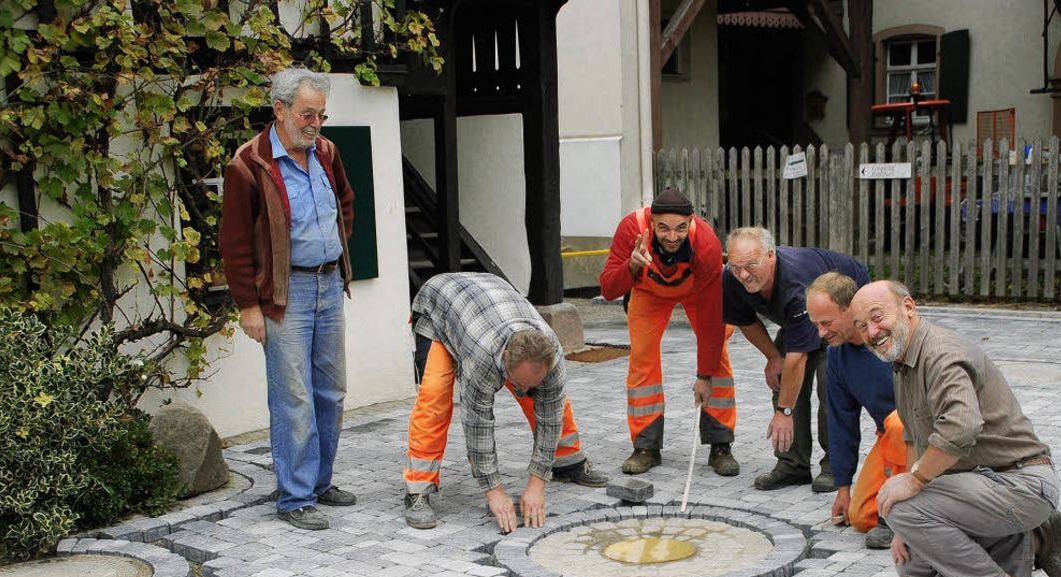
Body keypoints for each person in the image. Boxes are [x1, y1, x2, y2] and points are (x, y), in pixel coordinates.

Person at [851, 280, 1061, 577]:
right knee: (915, 569)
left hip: (1021, 482)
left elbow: (961, 427)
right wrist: (906, 524)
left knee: (905, 507)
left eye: (877, 317)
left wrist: (916, 484)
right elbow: (914, 441)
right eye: (861, 326)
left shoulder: (940, 353)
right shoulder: (903, 363)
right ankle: (1036, 539)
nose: (870, 331)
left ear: (908, 307)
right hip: (984, 486)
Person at [218, 68, 358, 531]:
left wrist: (335, 251)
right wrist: (248, 305)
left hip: (328, 283)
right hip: (285, 294)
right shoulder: (248, 163)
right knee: (293, 394)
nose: (316, 123)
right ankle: (294, 497)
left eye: (321, 114)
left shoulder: (327, 153)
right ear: (279, 110)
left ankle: (319, 483)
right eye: (307, 114)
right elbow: (235, 241)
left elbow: (344, 203)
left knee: (331, 391)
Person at [403, 272, 607, 532]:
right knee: (435, 396)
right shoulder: (482, 358)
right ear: (507, 357)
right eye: (518, 383)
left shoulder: (552, 355)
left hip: (489, 302)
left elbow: (550, 414)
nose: (523, 391)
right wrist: (494, 492)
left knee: (547, 399)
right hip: (438, 310)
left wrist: (537, 483)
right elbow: (478, 427)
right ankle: (417, 487)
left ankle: (566, 461)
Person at [599, 188, 738, 477]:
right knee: (642, 359)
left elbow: (713, 316)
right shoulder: (630, 229)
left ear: (691, 223)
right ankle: (646, 446)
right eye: (663, 228)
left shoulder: (707, 244)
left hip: (696, 293)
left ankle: (720, 444)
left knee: (718, 356)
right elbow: (609, 290)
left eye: (680, 228)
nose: (672, 237)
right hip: (648, 292)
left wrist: (704, 374)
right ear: (651, 222)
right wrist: (631, 266)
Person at [722, 227, 868, 492]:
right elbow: (745, 320)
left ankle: (835, 467)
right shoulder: (731, 277)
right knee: (783, 383)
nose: (743, 274)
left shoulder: (795, 283)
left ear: (770, 256)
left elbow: (798, 358)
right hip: (800, 317)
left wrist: (784, 413)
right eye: (736, 267)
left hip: (838, 314)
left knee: (831, 387)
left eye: (751, 265)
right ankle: (793, 466)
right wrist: (773, 356)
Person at [806, 272, 904, 548]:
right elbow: (841, 423)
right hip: (889, 437)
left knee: (899, 420)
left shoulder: (890, 338)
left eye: (826, 323)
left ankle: (905, 518)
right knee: (860, 517)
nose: (821, 333)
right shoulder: (836, 355)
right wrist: (843, 487)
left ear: (850, 310)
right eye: (815, 324)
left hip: (923, 434)